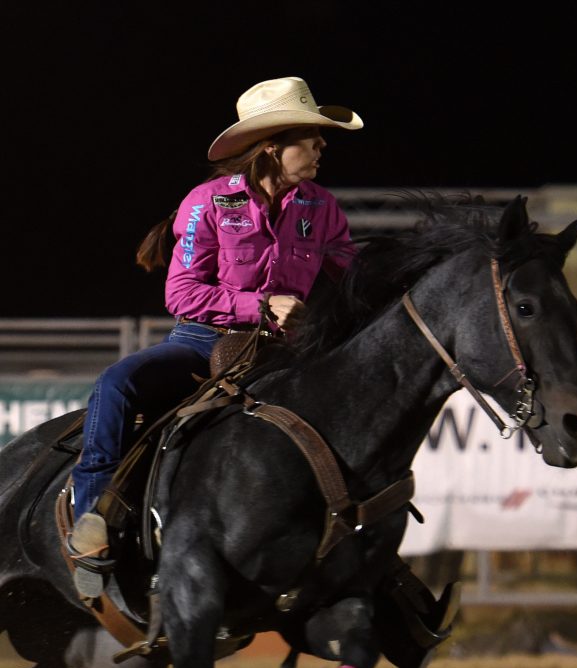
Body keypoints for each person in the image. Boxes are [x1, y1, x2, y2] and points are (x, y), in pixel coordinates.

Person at [68, 76, 363, 596]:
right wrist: (261, 305)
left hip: (285, 354)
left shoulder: (322, 208)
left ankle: (362, 547)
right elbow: (181, 293)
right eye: (311, 138)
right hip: (202, 343)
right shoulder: (207, 203)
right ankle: (93, 524)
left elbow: (352, 281)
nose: (322, 146)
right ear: (273, 146)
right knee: (116, 385)